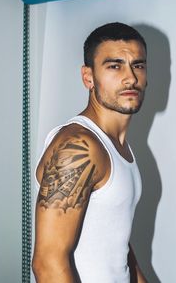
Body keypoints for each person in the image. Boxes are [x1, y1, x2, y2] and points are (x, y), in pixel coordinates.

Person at [32, 22, 148, 283]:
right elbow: (48, 263)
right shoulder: (78, 145)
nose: (130, 77)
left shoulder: (118, 146)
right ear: (88, 77)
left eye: (138, 65)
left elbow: (115, 239)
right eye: (114, 66)